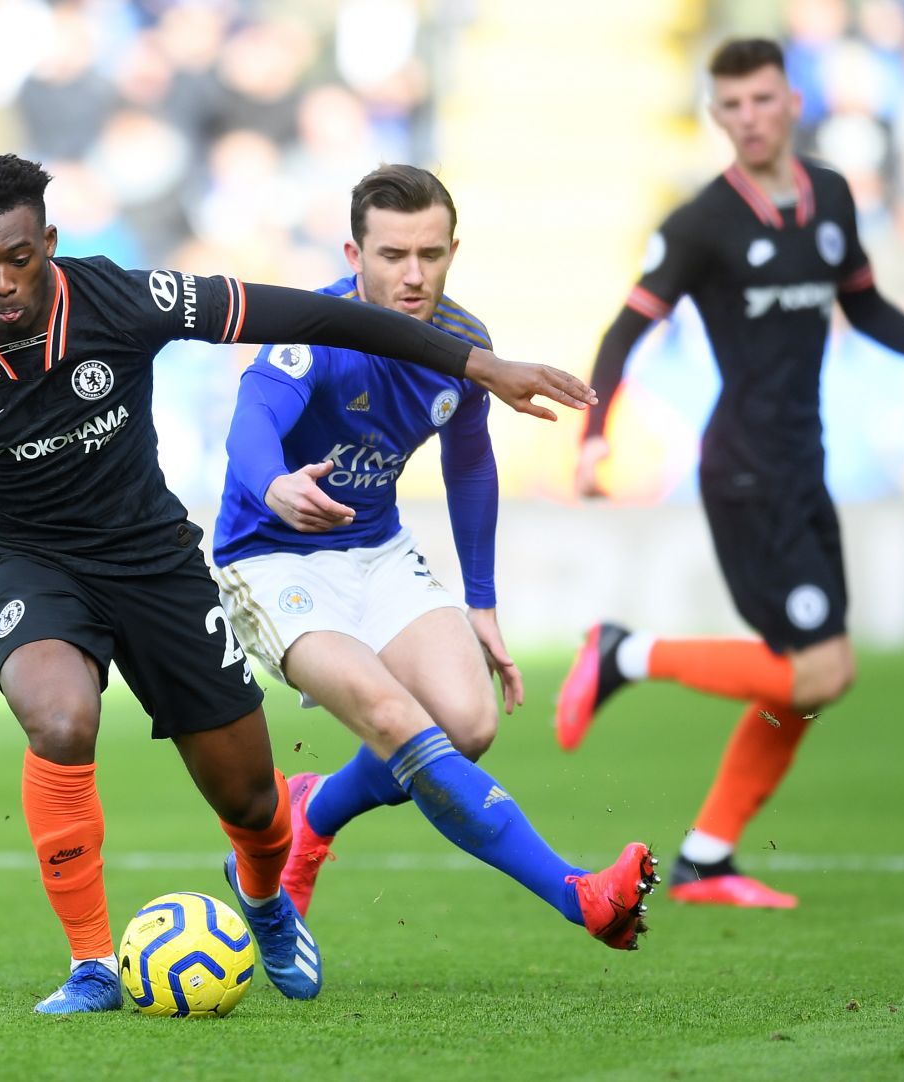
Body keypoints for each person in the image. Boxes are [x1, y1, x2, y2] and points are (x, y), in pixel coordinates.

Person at [0, 153, 597, 1013]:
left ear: (48, 242)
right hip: (38, 566)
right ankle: (91, 964)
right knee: (59, 718)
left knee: (252, 802)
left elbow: (312, 315)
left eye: (19, 259)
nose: (2, 283)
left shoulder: (125, 300)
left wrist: (476, 365)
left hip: (156, 561)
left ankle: (264, 897)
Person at [558, 40, 904, 908]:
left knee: (812, 678)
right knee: (817, 673)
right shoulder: (701, 223)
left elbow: (864, 306)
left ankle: (707, 857)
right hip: (745, 472)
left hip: (805, 464)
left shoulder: (830, 196)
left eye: (763, 99)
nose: (750, 118)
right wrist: (594, 435)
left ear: (792, 102)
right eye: (732, 105)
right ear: (716, 115)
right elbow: (624, 331)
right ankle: (625, 653)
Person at [211, 164, 658, 952]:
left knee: (468, 722)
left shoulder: (463, 342)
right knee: (396, 717)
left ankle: (311, 814)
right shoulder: (315, 329)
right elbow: (251, 423)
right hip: (274, 558)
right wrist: (276, 484)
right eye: (392, 255)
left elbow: (471, 464)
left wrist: (480, 601)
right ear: (355, 255)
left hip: (377, 550)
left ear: (454, 250)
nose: (413, 275)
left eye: (430, 253)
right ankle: (578, 895)